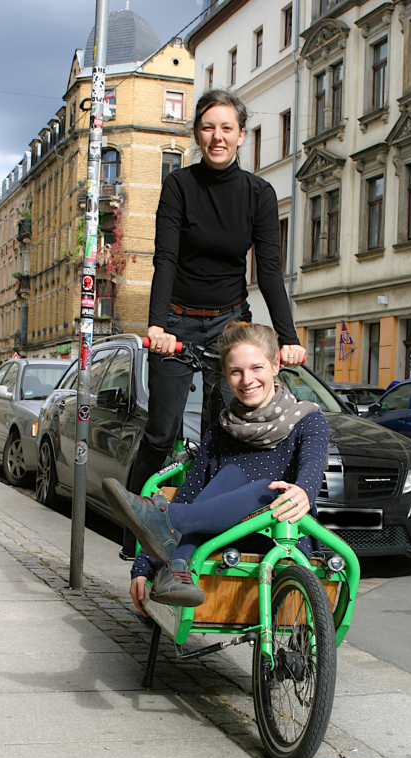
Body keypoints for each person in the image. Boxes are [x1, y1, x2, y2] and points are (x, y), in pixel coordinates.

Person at [122, 88, 305, 557]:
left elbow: (268, 270)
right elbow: (165, 258)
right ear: (197, 135)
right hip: (178, 322)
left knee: (222, 435)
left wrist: (288, 338)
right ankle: (134, 529)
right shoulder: (180, 185)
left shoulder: (259, 194)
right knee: (162, 430)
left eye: (227, 128)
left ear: (241, 135)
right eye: (208, 128)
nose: (217, 136)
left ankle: (199, 534)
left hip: (228, 323)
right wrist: (157, 326)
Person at [102, 323, 329, 610]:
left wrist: (303, 491)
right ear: (225, 375)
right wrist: (144, 566)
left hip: (282, 541)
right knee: (230, 475)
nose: (247, 380)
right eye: (236, 372)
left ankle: (166, 522)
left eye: (256, 368)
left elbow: (312, 468)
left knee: (272, 491)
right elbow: (192, 496)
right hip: (219, 542)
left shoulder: (308, 419)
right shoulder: (221, 430)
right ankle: (175, 564)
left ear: (275, 366)